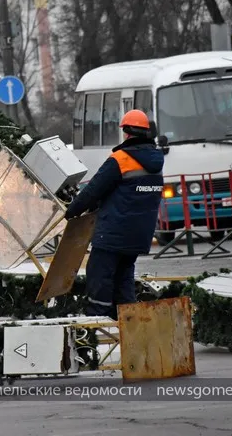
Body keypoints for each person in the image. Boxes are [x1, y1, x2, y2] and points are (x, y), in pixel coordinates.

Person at [64, 109, 165, 320]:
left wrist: (71, 211)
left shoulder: (121, 159)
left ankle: (98, 320)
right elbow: (127, 191)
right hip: (139, 235)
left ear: (126, 133)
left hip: (113, 233)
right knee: (123, 277)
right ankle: (128, 321)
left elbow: (93, 190)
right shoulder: (156, 163)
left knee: (99, 275)